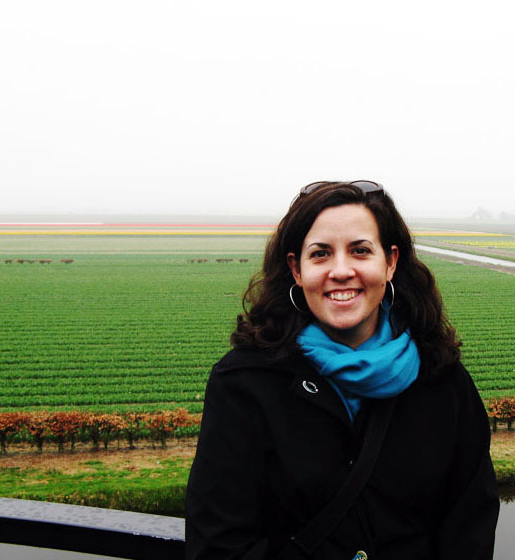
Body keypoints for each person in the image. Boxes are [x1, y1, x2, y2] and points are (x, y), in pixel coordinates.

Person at [185, 181, 499, 559]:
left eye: (360, 251)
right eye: (320, 254)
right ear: (296, 269)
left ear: (390, 262)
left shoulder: (442, 378)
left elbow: (469, 531)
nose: (340, 271)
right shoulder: (245, 383)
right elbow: (219, 544)